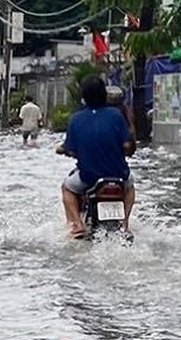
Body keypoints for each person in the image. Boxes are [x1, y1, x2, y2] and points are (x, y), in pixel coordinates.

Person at [57, 76, 136, 238]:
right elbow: (128, 145)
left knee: (67, 188)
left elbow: (70, 149)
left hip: (88, 177)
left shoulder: (76, 119)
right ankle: (125, 223)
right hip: (119, 175)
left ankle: (77, 225)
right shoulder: (116, 116)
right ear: (104, 95)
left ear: (84, 96)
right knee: (130, 187)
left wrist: (65, 150)